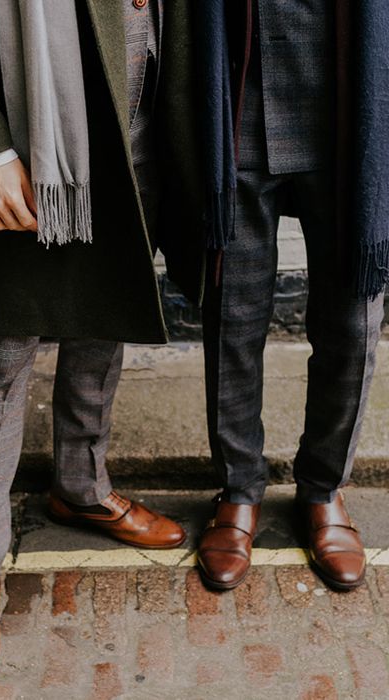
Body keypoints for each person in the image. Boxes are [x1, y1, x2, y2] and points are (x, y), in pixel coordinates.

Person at [0, 0, 191, 682]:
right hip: (35, 131)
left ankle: (82, 485)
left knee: (103, 316)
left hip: (137, 116)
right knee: (3, 351)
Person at [162, 0, 388, 593]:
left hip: (347, 108)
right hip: (241, 103)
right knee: (232, 320)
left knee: (353, 328)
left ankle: (323, 490)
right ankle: (238, 491)